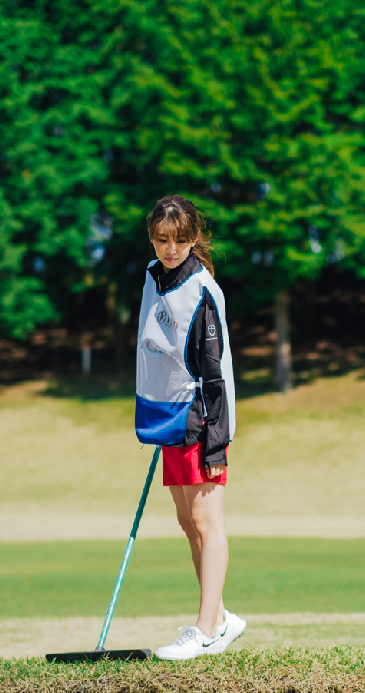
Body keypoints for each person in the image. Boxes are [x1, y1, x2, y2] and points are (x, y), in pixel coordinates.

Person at [135, 194, 247, 660]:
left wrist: (217, 441)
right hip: (171, 417)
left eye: (180, 240)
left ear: (194, 237)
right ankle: (221, 619)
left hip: (202, 419)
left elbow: (216, 370)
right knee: (187, 521)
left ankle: (205, 630)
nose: (171, 248)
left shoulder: (203, 290)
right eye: (162, 239)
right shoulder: (153, 276)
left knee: (206, 520)